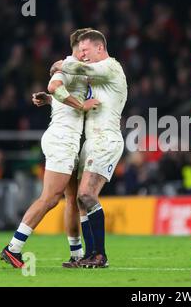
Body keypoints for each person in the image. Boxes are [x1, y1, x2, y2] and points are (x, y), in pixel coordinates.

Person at [0, 28, 100, 269]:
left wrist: (49, 99)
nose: (88, 52)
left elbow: (55, 92)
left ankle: (76, 254)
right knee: (50, 198)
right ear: (78, 47)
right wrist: (81, 105)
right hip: (62, 139)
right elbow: (56, 85)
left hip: (70, 140)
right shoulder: (66, 65)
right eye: (85, 46)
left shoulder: (76, 68)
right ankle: (13, 248)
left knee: (73, 199)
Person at [51, 30, 127, 268]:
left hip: (106, 140)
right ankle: (90, 254)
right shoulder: (95, 76)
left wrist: (62, 65)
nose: (81, 55)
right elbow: (78, 91)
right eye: (79, 51)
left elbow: (83, 70)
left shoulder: (111, 67)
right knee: (82, 201)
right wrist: (49, 97)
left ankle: (100, 254)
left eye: (85, 50)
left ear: (99, 48)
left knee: (85, 194)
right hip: (91, 142)